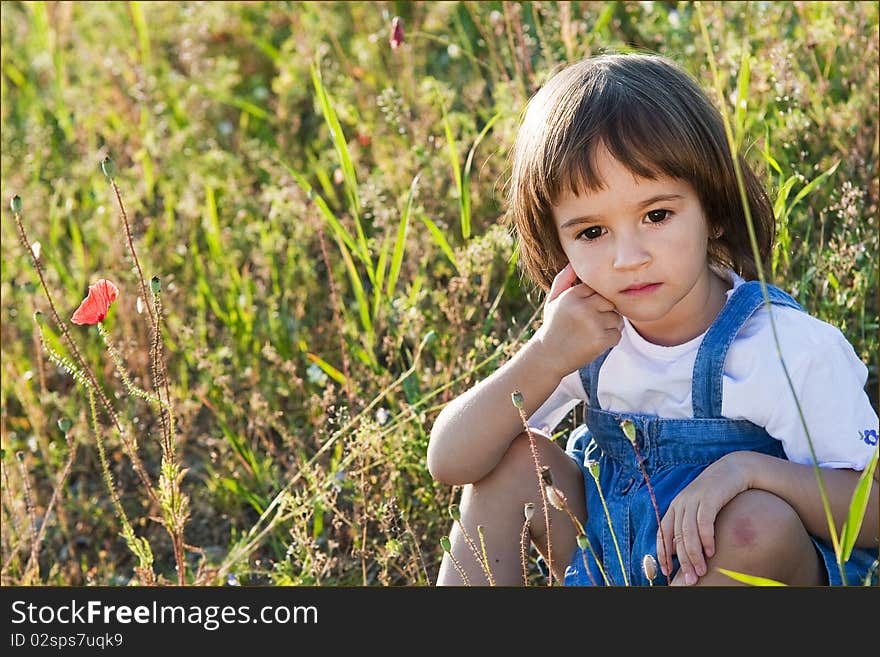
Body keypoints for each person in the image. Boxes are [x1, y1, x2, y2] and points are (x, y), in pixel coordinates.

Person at [426, 52, 879, 586]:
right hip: (616, 556)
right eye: (591, 232)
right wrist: (545, 355)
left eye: (656, 215)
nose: (627, 257)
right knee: (512, 463)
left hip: (740, 569)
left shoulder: (783, 349)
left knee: (758, 525)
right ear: (559, 242)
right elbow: (450, 462)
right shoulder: (582, 337)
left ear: (712, 210)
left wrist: (749, 472)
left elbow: (871, 516)